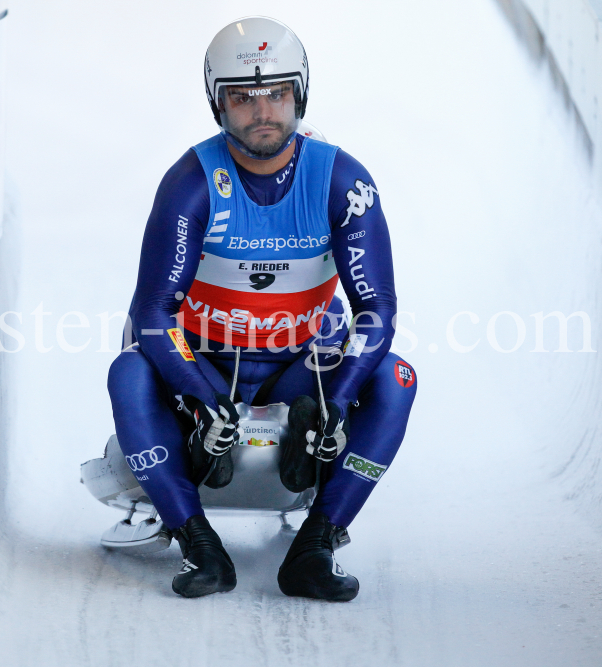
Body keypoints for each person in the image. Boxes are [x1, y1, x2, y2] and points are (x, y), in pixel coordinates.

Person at [107, 16, 416, 601]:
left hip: (303, 372)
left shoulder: (341, 181)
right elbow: (152, 311)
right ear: (216, 103)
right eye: (243, 97)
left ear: (299, 92)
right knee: (128, 371)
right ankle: (200, 547)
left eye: (275, 93)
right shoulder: (190, 181)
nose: (262, 111)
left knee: (397, 378)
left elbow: (376, 308)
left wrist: (343, 397)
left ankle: (316, 546)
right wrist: (197, 395)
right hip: (203, 366)